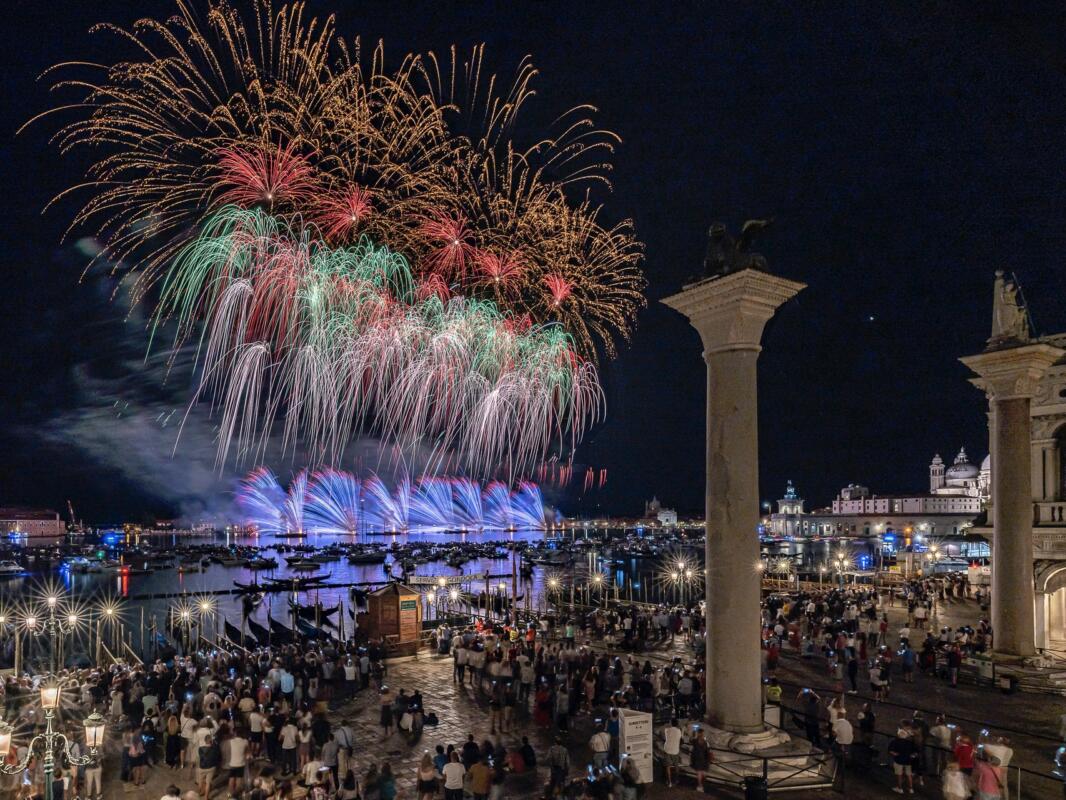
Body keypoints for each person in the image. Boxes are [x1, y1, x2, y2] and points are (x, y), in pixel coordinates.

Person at [888, 728, 917, 795]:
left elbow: (890, 751)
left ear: (898, 735)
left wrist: (895, 754)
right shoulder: (909, 743)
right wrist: (913, 756)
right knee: (909, 774)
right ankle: (911, 789)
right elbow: (915, 752)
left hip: (899, 760)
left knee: (899, 775)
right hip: (908, 760)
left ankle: (900, 788)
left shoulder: (895, 742)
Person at [197, 732, 221, 800]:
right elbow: (218, 757)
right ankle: (206, 797)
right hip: (211, 768)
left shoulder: (200, 749)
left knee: (200, 782)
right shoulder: (215, 749)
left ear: (205, 741)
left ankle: (198, 794)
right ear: (211, 741)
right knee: (208, 783)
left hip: (202, 767)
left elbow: (200, 757)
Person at [661, 717, 682, 787]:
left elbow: (665, 735)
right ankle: (677, 780)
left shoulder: (667, 730)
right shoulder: (679, 731)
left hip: (667, 749)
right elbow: (680, 738)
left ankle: (669, 782)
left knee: (668, 767)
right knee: (676, 766)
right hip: (675, 750)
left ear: (671, 723)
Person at [228, 727, 249, 796]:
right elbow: (247, 753)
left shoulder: (231, 741)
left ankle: (230, 794)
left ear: (235, 733)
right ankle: (236, 794)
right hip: (241, 763)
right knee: (239, 780)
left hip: (232, 763)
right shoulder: (245, 741)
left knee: (231, 779)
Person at [690, 726, 711, 792]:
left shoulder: (695, 741)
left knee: (699, 773)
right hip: (704, 759)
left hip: (697, 759)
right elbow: (708, 749)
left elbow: (690, 741)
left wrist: (693, 733)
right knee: (703, 773)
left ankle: (700, 786)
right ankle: (702, 785)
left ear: (698, 733)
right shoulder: (705, 742)